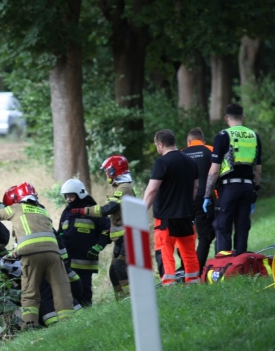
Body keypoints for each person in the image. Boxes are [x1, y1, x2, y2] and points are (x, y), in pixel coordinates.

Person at [0, 182, 74, 328]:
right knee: (61, 288)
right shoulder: (42, 210)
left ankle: (29, 324)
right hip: (53, 253)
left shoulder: (16, 208)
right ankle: (68, 322)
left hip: (31, 255)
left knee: (30, 291)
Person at [71, 155, 135, 300]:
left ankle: (131, 298)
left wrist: (84, 211)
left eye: (107, 170)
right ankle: (121, 301)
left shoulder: (124, 187)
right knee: (113, 271)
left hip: (128, 235)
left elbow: (106, 210)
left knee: (120, 266)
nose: (106, 173)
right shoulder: (118, 186)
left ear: (114, 171)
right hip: (120, 237)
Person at [203, 103, 262, 254]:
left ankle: (225, 267)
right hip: (247, 188)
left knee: (223, 225)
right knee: (242, 226)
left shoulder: (223, 136)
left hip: (229, 188)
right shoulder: (254, 136)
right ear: (243, 117)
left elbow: (214, 170)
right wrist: (254, 194)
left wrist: (207, 195)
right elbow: (258, 171)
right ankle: (240, 263)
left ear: (226, 118)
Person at [143, 130, 200, 285]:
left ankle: (169, 285)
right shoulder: (191, 162)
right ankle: (194, 281)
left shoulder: (162, 163)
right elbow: (195, 188)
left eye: (156, 145)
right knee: (188, 252)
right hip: (186, 215)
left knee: (165, 251)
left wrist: (141, 211)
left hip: (166, 217)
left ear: (160, 144)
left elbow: (152, 190)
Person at [58, 179, 110, 306]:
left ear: (79, 194)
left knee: (84, 290)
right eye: (67, 196)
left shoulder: (93, 210)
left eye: (71, 196)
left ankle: (87, 314)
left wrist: (98, 246)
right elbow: (60, 233)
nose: (68, 199)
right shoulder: (67, 212)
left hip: (85, 261)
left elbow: (107, 230)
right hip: (68, 261)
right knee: (69, 291)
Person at [182, 127, 216, 271]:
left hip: (185, 201)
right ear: (203, 140)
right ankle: (197, 269)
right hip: (205, 197)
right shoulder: (210, 149)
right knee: (205, 236)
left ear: (189, 141)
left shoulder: (181, 153)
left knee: (184, 237)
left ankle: (185, 268)